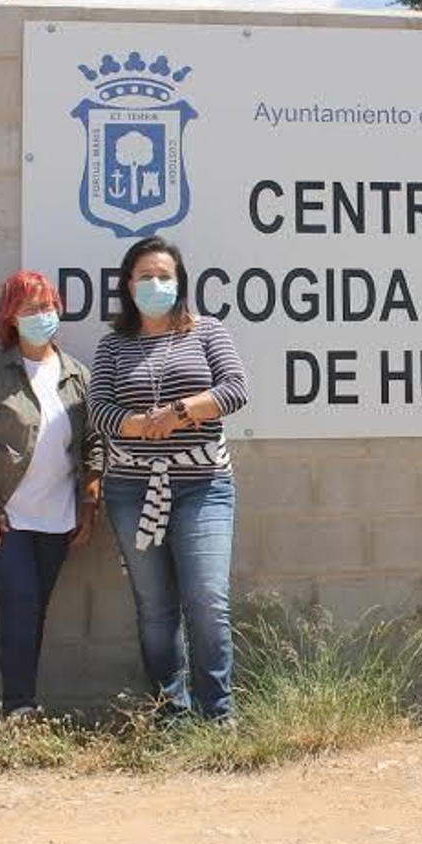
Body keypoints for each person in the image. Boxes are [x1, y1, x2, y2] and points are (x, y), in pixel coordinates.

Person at [88, 236, 248, 722]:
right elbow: (99, 410)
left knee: (207, 601)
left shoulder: (208, 331)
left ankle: (217, 716)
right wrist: (140, 425)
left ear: (179, 283)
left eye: (164, 276)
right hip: (132, 489)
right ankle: (170, 713)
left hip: (204, 484)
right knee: (155, 610)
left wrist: (177, 413)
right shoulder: (113, 344)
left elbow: (235, 390)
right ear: (127, 285)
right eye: (144, 277)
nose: (155, 284)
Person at [0, 270, 105, 718]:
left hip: (57, 516)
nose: (42, 315)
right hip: (3, 515)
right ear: (10, 317)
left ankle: (23, 700)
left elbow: (94, 441)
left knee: (33, 610)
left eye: (48, 306)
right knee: (19, 599)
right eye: (30, 308)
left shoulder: (77, 375)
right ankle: (19, 705)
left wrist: (90, 503)